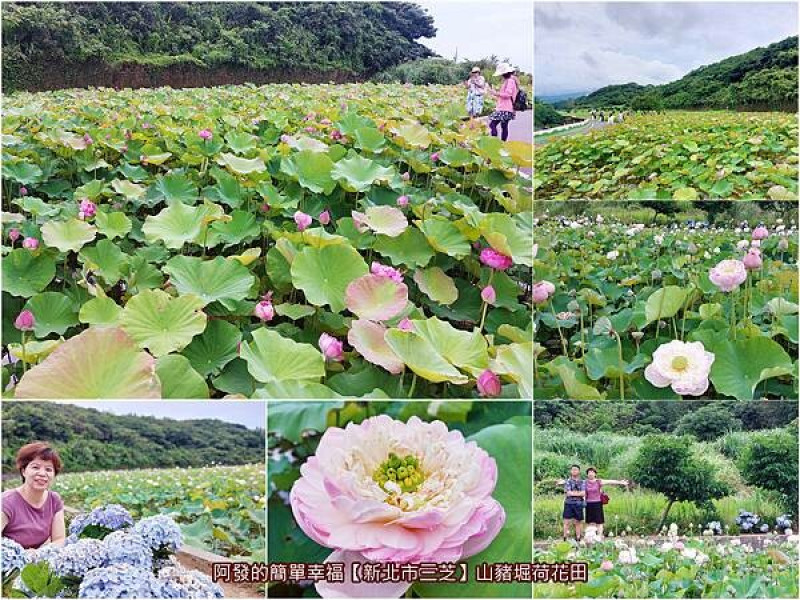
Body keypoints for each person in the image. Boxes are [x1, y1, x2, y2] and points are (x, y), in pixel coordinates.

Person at [1, 442, 66, 549]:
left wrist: (38, 554)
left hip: (39, 561)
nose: (42, 473)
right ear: (23, 471)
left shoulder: (54, 500)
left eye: (48, 469)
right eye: (35, 467)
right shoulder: (6, 502)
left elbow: (59, 539)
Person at [584, 467, 629, 537]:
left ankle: (599, 537)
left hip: (597, 503)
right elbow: (575, 482)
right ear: (587, 474)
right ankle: (591, 537)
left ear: (595, 474)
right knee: (590, 522)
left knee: (599, 521)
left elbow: (610, 481)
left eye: (592, 472)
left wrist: (620, 482)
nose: (590, 474)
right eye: (589, 472)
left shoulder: (598, 481)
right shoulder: (585, 482)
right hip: (588, 504)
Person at [488, 62, 518, 141]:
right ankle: (502, 145)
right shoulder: (509, 81)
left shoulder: (510, 81)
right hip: (506, 108)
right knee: (504, 126)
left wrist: (495, 93)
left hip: (505, 108)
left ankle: (495, 143)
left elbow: (508, 94)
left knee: (492, 124)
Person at [562, 464, 585, 541]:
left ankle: (578, 538)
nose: (574, 471)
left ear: (579, 471)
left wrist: (573, 493)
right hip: (568, 503)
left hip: (579, 504)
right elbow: (568, 493)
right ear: (571, 471)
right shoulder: (567, 481)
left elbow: (583, 493)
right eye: (573, 469)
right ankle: (565, 538)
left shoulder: (582, 481)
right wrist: (578, 493)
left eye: (576, 469)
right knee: (566, 521)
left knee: (578, 522)